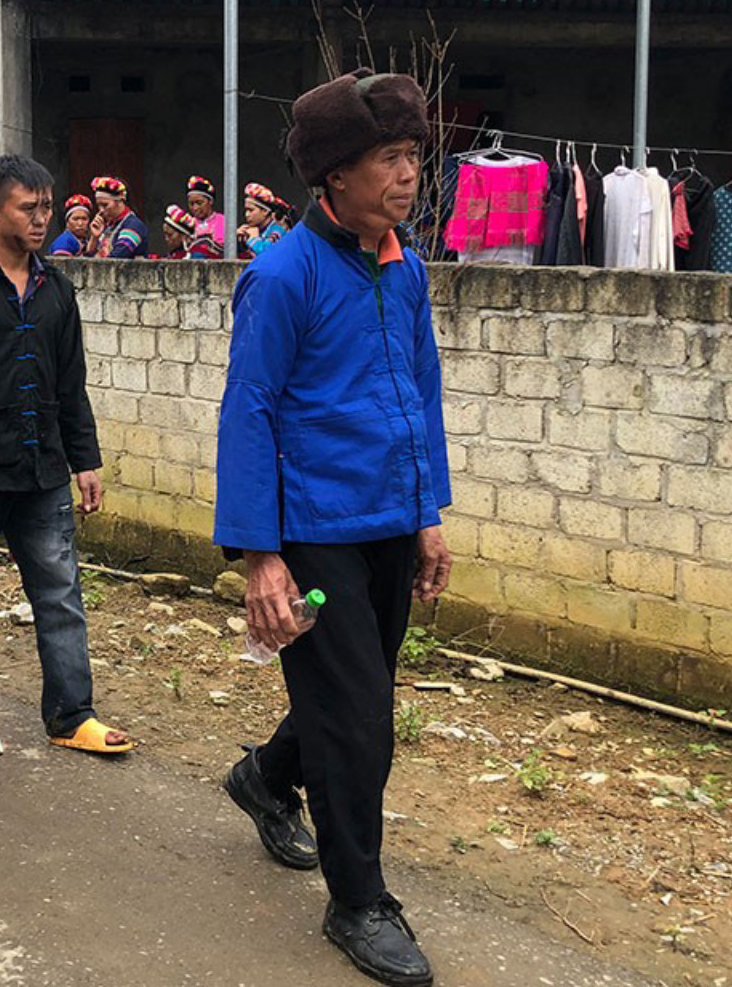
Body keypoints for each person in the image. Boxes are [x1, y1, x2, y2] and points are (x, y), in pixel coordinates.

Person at [216, 70, 453, 987]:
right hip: (312, 532)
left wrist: (428, 515)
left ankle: (268, 780)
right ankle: (359, 901)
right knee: (361, 719)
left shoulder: (406, 265)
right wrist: (260, 556)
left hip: (390, 520)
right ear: (336, 177)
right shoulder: (281, 276)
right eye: (390, 158)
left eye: (411, 157)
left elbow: (422, 395)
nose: (407, 175)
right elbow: (250, 411)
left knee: (352, 696)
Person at [0, 154, 131, 756]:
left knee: (60, 591)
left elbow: (71, 383)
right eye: (28, 208)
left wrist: (85, 462)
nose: (42, 219)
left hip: (42, 469)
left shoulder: (56, 289)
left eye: (46, 207)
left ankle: (72, 714)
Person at [87, 176, 147, 258]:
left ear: (120, 201)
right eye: (98, 205)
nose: (101, 210)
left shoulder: (134, 226)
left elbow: (117, 258)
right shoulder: (109, 225)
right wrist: (94, 238)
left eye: (105, 205)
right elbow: (87, 260)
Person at [236, 183, 289, 257]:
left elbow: (267, 255)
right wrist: (236, 240)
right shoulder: (251, 231)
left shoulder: (278, 232)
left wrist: (253, 239)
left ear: (265, 211)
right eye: (246, 210)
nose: (246, 214)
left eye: (251, 210)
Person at [186, 175, 226, 247]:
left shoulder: (221, 221)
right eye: (191, 204)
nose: (195, 208)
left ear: (210, 201)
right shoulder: (188, 223)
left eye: (199, 203)